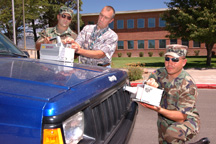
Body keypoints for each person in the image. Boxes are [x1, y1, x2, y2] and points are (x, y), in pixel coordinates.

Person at [140, 44, 200, 144]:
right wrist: (149, 84)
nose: (170, 63)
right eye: (167, 59)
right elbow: (149, 81)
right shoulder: (159, 73)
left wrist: (159, 109)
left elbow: (182, 116)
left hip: (186, 121)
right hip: (164, 119)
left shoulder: (188, 85)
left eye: (175, 59)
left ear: (183, 62)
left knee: (172, 134)